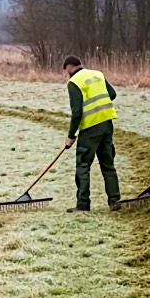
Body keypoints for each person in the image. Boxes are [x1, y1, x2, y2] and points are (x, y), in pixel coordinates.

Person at [63, 56, 121, 212]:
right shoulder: (98, 74)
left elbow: (76, 112)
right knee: (108, 165)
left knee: (83, 166)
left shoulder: (74, 82)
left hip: (90, 129)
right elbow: (112, 94)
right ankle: (115, 201)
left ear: (69, 67)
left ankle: (83, 204)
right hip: (107, 124)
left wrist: (71, 136)